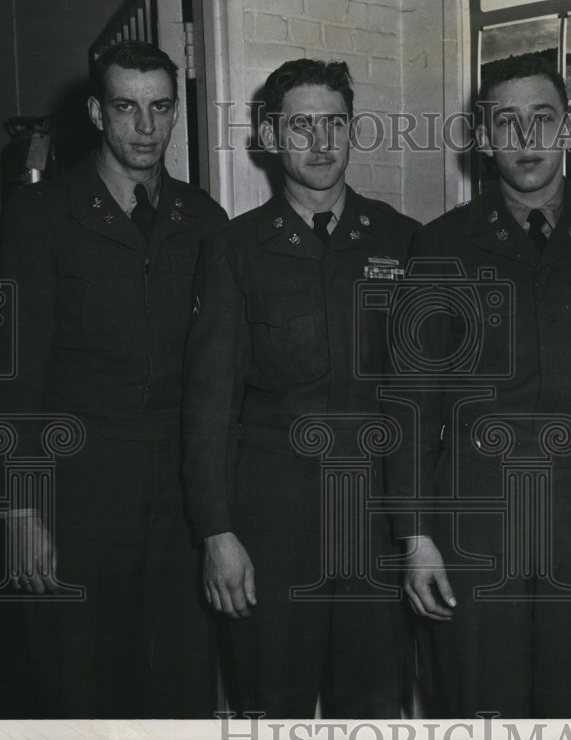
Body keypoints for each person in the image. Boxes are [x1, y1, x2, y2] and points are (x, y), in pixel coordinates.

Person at [389, 53, 571, 718]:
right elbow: (413, 407)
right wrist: (417, 537)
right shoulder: (440, 245)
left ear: (567, 129)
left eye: (542, 120)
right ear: (484, 138)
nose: (527, 138)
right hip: (475, 526)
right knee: (481, 704)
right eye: (506, 123)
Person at [0, 40, 228, 717]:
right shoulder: (40, 218)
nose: (145, 129)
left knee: (180, 689)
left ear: (176, 113)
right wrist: (18, 507)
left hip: (176, 504)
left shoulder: (203, 220)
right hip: (78, 498)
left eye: (159, 109)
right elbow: (10, 378)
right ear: (97, 112)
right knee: (81, 693)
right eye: (126, 108)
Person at [181, 59, 419, 717]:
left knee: (372, 711)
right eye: (302, 125)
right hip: (271, 530)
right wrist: (217, 534)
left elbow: (421, 404)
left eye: (334, 124)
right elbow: (209, 407)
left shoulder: (401, 241)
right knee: (270, 711)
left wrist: (420, 532)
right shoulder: (235, 249)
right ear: (269, 136)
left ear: (353, 131)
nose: (320, 142)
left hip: (374, 526)